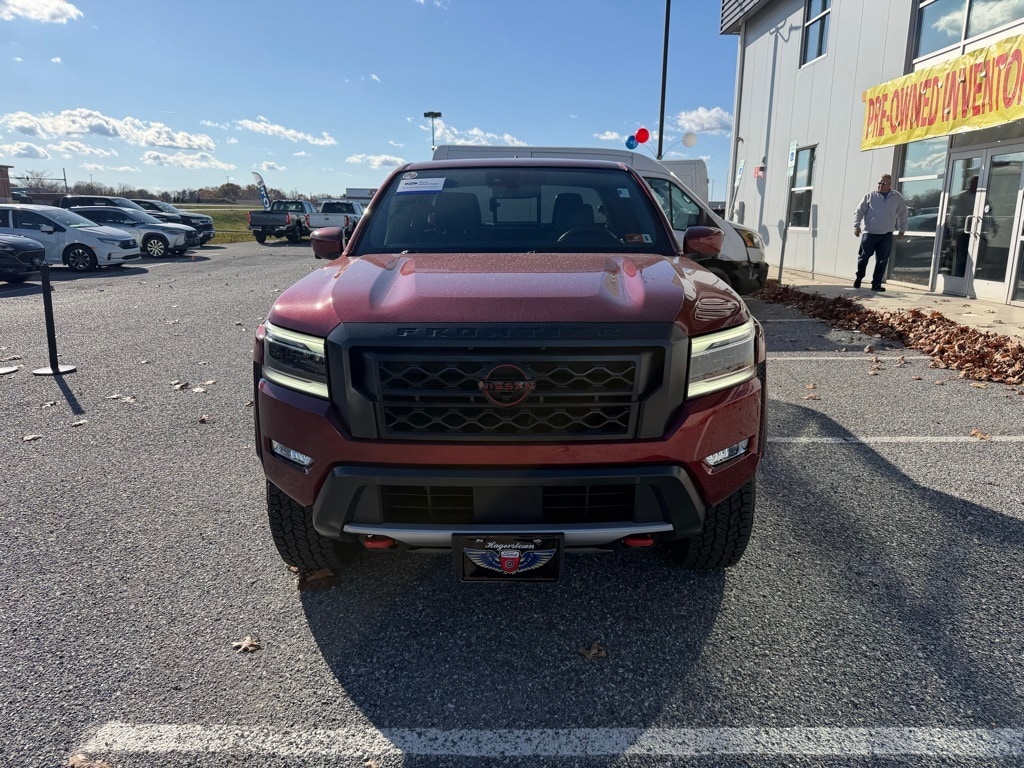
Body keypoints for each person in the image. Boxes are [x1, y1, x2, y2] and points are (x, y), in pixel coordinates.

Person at [852, 174, 908, 291]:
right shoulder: (870, 196)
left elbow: (903, 213)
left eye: (883, 183)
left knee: (882, 260)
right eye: (879, 183)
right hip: (870, 233)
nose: (880, 186)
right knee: (863, 257)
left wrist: (903, 229)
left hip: (886, 234)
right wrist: (856, 226)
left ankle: (876, 284)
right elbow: (859, 211)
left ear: (889, 185)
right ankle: (859, 278)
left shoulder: (897, 197)